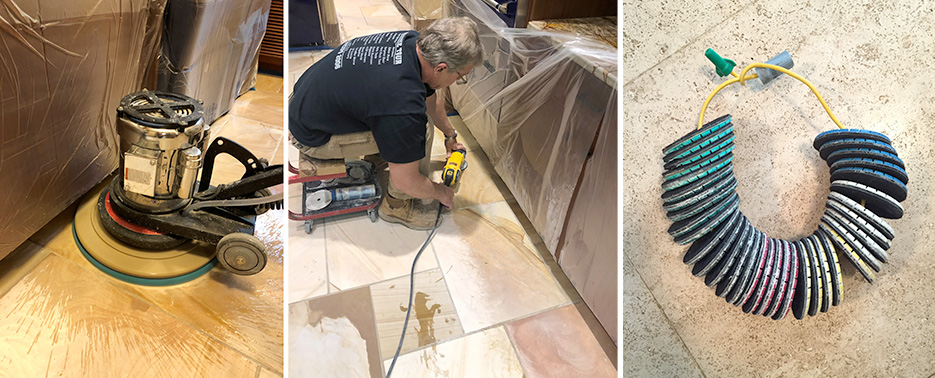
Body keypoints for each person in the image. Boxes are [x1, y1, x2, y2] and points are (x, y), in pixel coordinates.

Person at [289, 17, 483, 230]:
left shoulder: (411, 43)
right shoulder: (401, 99)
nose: (457, 81)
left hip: (305, 105)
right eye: (460, 76)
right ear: (441, 68)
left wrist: (450, 135)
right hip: (312, 137)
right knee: (421, 128)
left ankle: (383, 155)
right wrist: (440, 191)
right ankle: (397, 207)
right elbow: (405, 181)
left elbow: (430, 98)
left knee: (403, 119)